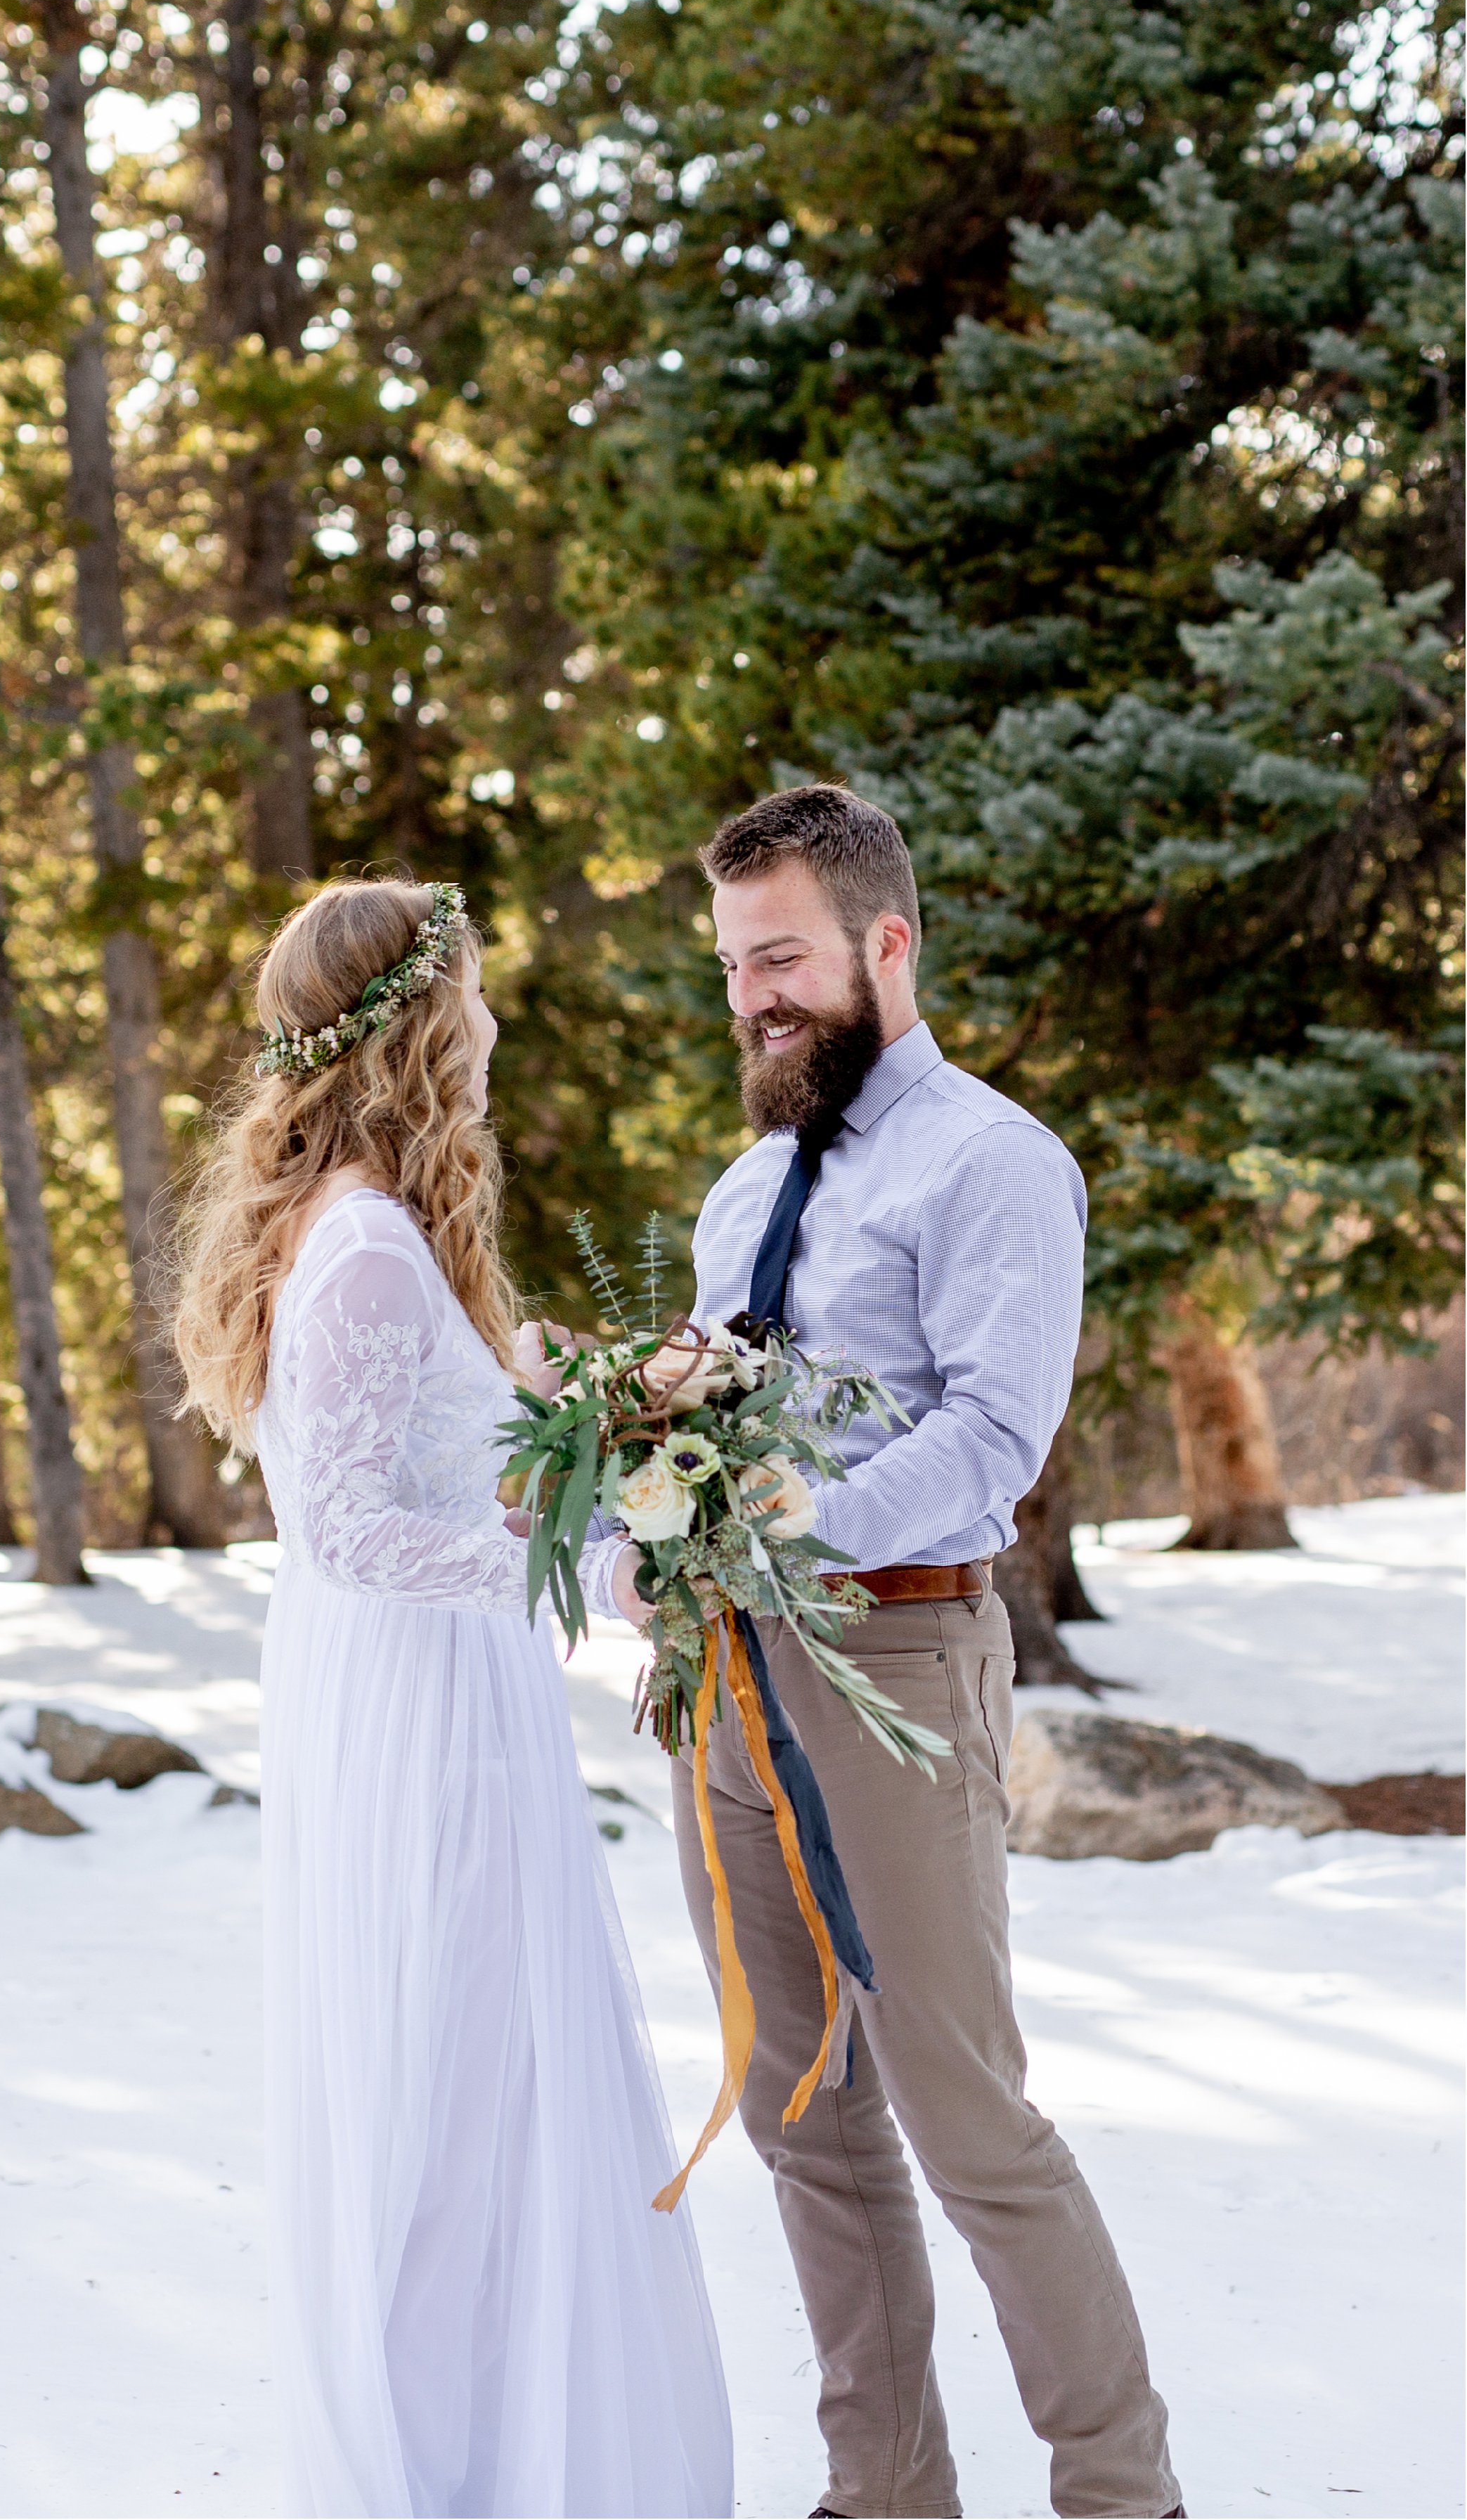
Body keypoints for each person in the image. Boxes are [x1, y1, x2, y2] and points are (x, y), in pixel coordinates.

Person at [645, 785, 1184, 2520]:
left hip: (897, 1659)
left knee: (966, 2114)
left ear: (889, 943)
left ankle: (1122, 2493)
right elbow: (720, 1419)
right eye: (734, 965)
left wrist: (791, 1523)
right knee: (801, 2110)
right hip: (729, 1682)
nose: (754, 998)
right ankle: (884, 2491)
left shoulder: (996, 1162)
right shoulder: (744, 1191)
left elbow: (993, 1442)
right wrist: (631, 1487)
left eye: (783, 956)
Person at [172, 877, 732, 2520]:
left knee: (478, 2087)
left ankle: (487, 2454)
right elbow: (347, 1529)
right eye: (471, 999)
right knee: (449, 2097)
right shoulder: (355, 1241)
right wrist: (596, 1571)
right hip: (415, 1712)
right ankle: (441, 2478)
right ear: (416, 1024)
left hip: (433, 1693)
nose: (488, 1027)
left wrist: (612, 1394)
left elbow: (440, 1423)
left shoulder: (369, 1228)